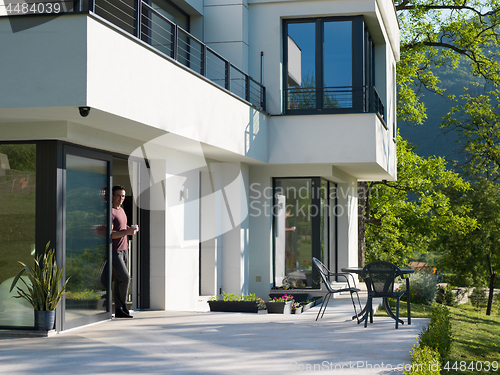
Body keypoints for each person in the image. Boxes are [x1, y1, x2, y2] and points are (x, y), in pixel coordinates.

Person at [111, 185, 138, 318]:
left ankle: (120, 310)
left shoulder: (121, 210)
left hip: (124, 249)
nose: (121, 198)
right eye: (118, 195)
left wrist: (129, 228)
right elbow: (110, 234)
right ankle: (122, 307)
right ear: (112, 196)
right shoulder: (110, 212)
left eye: (123, 196)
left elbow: (121, 228)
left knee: (120, 280)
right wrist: (127, 232)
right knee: (125, 279)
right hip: (115, 251)